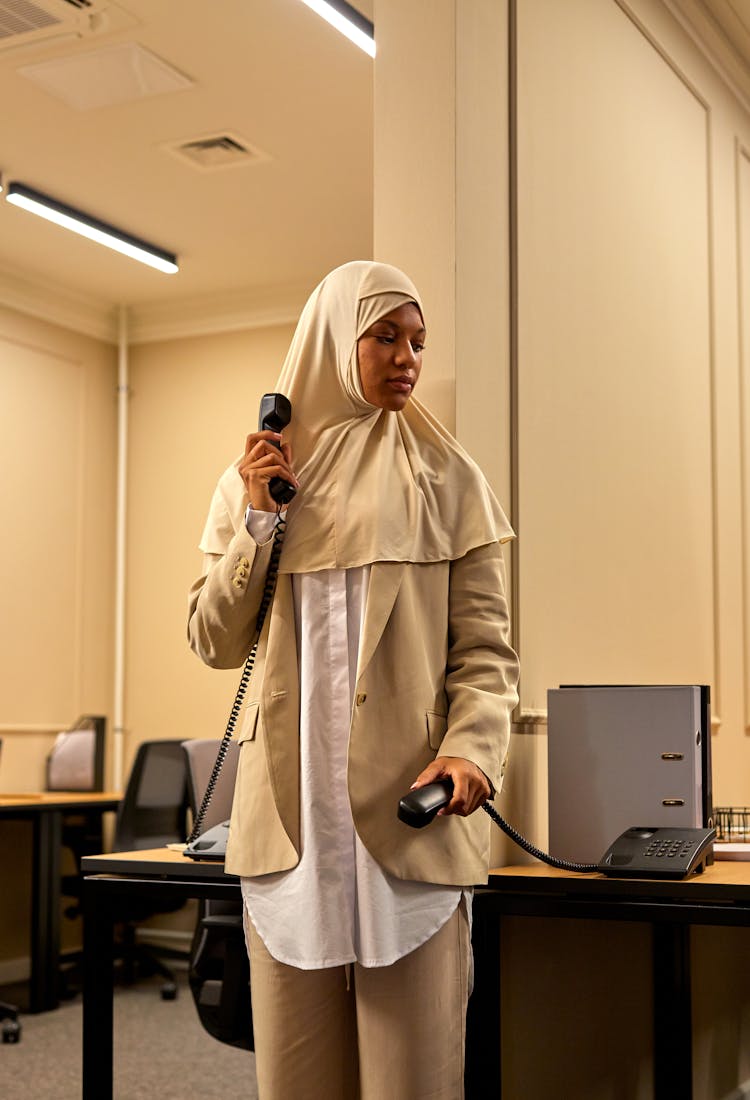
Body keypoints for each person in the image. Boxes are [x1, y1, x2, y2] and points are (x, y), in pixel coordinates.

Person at [187, 260, 519, 1100]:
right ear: (336, 342)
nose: (406, 356)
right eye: (385, 336)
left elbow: (486, 653)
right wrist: (262, 522)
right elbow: (213, 640)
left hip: (407, 826)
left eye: (416, 341)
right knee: (297, 1083)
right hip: (290, 834)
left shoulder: (451, 481)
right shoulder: (255, 484)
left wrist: (473, 752)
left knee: (413, 1081)